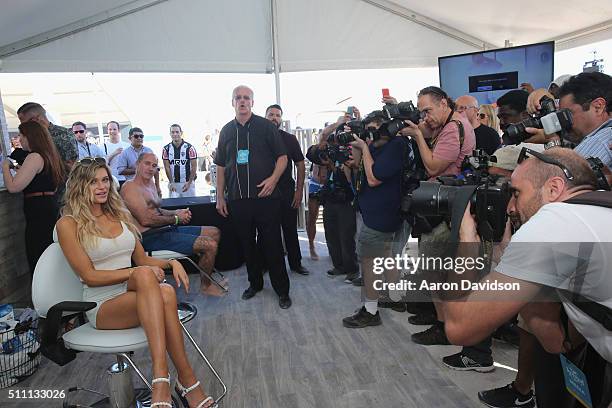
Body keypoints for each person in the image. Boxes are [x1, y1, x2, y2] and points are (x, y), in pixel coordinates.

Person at [442, 148, 612, 408]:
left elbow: (458, 327)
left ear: (553, 189)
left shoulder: (557, 219)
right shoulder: (598, 209)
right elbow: (557, 342)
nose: (511, 207)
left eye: (516, 193)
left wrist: (467, 242)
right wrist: (515, 265)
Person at [56, 158, 215, 408]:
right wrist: (134, 274)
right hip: (102, 304)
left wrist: (171, 264)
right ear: (79, 186)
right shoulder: (68, 224)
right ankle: (172, 381)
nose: (102, 187)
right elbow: (89, 276)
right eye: (92, 182)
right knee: (148, 281)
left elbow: (141, 259)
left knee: (163, 291)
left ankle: (178, 381)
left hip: (135, 292)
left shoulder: (119, 216)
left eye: (105, 180)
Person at [400, 86, 476, 347]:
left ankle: (445, 327)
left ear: (444, 103)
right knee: (437, 269)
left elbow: (433, 165)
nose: (426, 117)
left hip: (444, 207)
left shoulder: (453, 129)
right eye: (422, 112)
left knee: (435, 268)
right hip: (445, 204)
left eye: (428, 110)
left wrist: (417, 138)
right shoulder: (455, 123)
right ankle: (441, 319)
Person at [214, 85, 292, 309]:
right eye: (238, 97)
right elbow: (220, 165)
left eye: (246, 98)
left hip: (266, 198)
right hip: (238, 199)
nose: (242, 101)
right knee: (247, 246)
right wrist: (220, 196)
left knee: (273, 245)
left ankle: (282, 291)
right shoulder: (226, 131)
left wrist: (273, 179)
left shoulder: (266, 126)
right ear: (232, 102)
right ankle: (255, 283)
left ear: (252, 102)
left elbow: (283, 158)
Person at [341, 113, 413, 328]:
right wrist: (358, 143)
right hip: (377, 212)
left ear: (387, 128)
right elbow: (357, 164)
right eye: (367, 129)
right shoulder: (377, 145)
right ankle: (395, 298)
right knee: (389, 255)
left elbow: (373, 179)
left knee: (369, 262)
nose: (370, 134)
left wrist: (364, 148)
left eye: (374, 129)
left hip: (382, 215)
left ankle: (370, 311)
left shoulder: (396, 145)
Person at [121, 153, 224, 296]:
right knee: (210, 244)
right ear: (137, 164)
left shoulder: (149, 183)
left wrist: (176, 211)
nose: (151, 168)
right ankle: (206, 286)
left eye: (154, 165)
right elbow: (146, 219)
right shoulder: (130, 188)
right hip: (149, 238)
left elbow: (157, 210)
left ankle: (204, 270)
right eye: (147, 163)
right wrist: (176, 219)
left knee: (214, 232)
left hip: (164, 231)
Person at [2, 121, 65, 275]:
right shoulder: (48, 155)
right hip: (47, 208)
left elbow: (13, 187)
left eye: (21, 135)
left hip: (39, 213)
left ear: (30, 137)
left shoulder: (34, 156)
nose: (19, 139)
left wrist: (5, 167)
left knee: (38, 254)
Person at [527, 72, 612, 166]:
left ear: (598, 107)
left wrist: (552, 140)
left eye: (567, 114)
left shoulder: (601, 140)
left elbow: (560, 177)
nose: (563, 123)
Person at [264, 104, 308, 275]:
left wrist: (298, 191)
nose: (274, 118)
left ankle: (296, 264)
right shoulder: (258, 139)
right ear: (265, 117)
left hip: (287, 192)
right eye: (271, 115)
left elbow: (301, 165)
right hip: (264, 194)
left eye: (277, 115)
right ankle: (266, 264)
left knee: (290, 230)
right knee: (267, 232)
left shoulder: (290, 139)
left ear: (281, 119)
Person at [17, 102, 78, 168]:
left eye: (25, 124)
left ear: (35, 120)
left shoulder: (64, 135)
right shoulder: (34, 137)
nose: (24, 127)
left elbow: (70, 166)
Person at [115, 127, 161, 194]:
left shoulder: (149, 151)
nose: (139, 138)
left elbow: (156, 169)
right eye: (136, 136)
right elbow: (121, 170)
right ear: (130, 138)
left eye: (141, 136)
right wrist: (138, 170)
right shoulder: (125, 153)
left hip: (149, 189)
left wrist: (157, 186)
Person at [162, 124, 198, 198]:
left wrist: (189, 182)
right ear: (170, 134)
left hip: (187, 183)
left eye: (177, 132)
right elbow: (167, 167)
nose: (175, 134)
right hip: (174, 183)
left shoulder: (190, 148)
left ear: (181, 133)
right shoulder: (166, 149)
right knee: (174, 207)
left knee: (190, 207)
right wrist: (171, 182)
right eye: (173, 132)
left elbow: (194, 167)